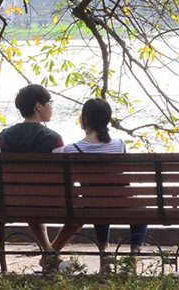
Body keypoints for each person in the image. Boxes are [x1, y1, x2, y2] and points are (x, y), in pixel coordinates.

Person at [51, 98, 148, 258]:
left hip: (91, 205)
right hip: (121, 203)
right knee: (140, 211)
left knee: (97, 200)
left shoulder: (72, 149)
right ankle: (134, 255)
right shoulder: (119, 145)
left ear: (86, 119)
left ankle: (104, 252)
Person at [0, 84, 64, 270]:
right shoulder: (54, 139)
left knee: (30, 197)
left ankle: (48, 252)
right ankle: (51, 252)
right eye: (49, 102)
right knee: (76, 213)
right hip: (48, 203)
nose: (52, 107)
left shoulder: (2, 138)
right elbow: (61, 178)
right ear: (38, 106)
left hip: (10, 203)